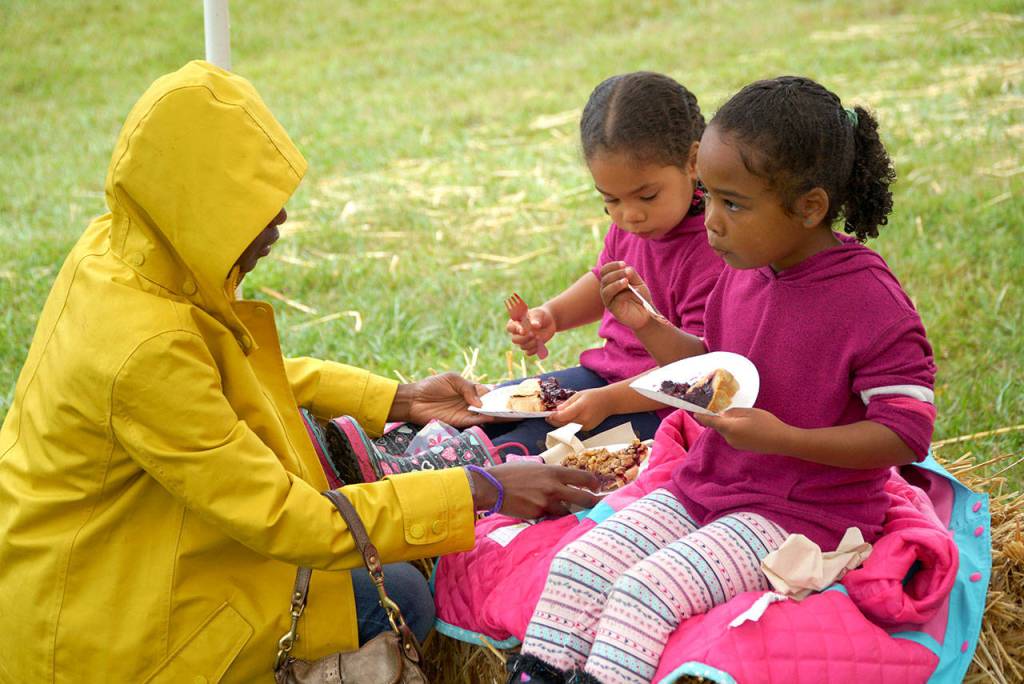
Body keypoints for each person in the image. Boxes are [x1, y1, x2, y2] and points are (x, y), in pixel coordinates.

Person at [0, 60, 600, 683]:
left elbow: (224, 373)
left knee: (390, 579)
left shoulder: (122, 248)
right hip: (103, 627)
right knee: (401, 597)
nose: (280, 224)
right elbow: (289, 518)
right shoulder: (142, 345)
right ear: (199, 207)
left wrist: (399, 398)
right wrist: (484, 488)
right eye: (255, 207)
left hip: (110, 563)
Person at [507, 76, 937, 684]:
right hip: (709, 485)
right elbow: (712, 367)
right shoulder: (745, 273)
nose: (709, 222)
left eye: (731, 204)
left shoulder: (869, 300)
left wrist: (784, 439)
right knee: (579, 563)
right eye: (707, 197)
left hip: (801, 514)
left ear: (810, 207)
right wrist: (647, 324)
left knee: (644, 595)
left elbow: (906, 433)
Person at [486, 72, 723, 453]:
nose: (630, 216)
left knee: (531, 447)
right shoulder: (636, 229)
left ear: (693, 161)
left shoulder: (716, 248)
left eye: (647, 196)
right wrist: (553, 316)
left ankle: (448, 479)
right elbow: (604, 282)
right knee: (497, 407)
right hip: (601, 378)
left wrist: (610, 401)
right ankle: (404, 452)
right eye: (610, 200)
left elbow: (696, 372)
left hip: (658, 408)